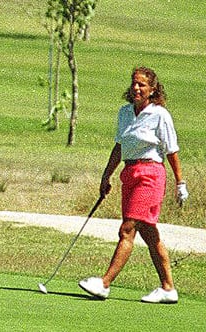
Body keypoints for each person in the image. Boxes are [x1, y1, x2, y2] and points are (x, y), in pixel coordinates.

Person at [78, 66, 188, 304]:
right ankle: (168, 288)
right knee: (149, 233)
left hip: (151, 174)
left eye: (142, 85)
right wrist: (106, 176)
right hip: (130, 173)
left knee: (127, 229)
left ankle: (104, 283)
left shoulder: (160, 115)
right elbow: (119, 147)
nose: (136, 88)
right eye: (134, 83)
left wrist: (180, 182)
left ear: (152, 89)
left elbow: (172, 151)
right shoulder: (125, 112)